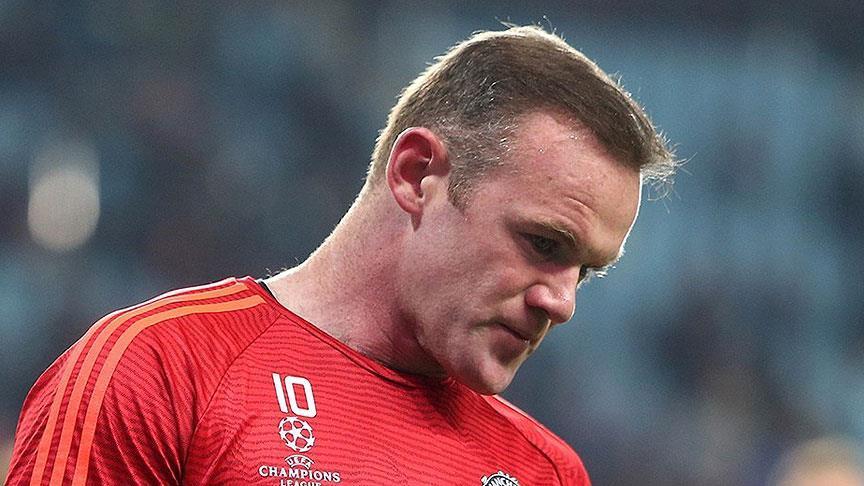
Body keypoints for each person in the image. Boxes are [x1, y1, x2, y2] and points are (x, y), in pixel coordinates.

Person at [7, 25, 675, 485]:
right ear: (416, 175)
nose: (562, 302)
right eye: (543, 244)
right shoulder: (158, 372)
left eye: (585, 269)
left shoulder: (546, 471)